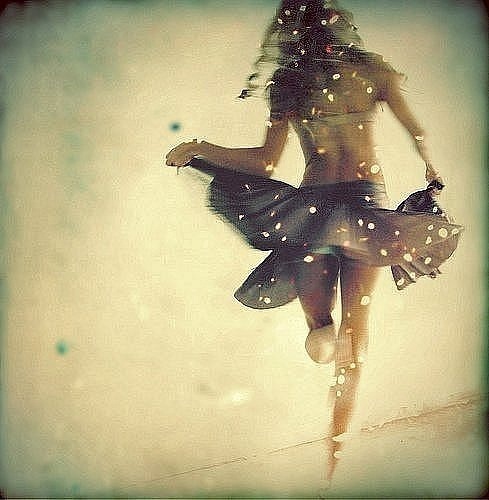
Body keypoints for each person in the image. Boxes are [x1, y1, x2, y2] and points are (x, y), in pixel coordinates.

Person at [165, 0, 462, 483]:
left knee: (340, 336)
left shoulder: (337, 76)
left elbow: (266, 162)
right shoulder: (330, 78)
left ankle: (334, 454)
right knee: (336, 337)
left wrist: (200, 148)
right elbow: (267, 161)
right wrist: (201, 148)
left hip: (337, 213)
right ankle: (334, 437)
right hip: (337, 211)